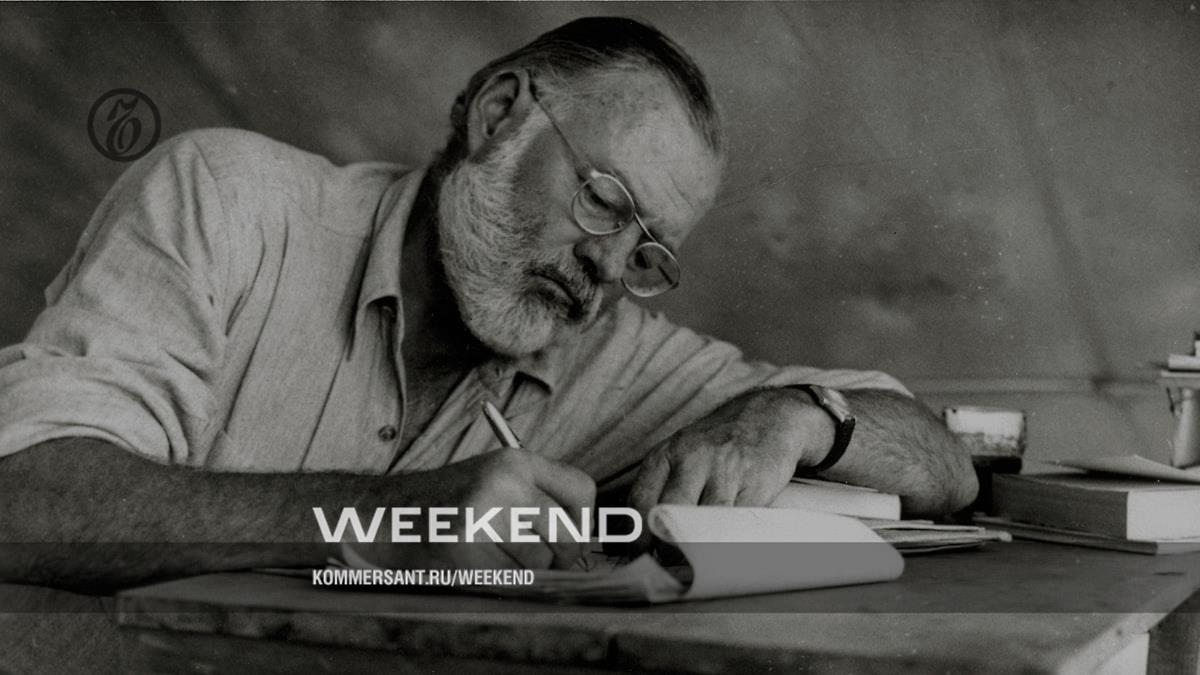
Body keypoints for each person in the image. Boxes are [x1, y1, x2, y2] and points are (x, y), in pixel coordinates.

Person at [0, 17, 975, 588]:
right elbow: (27, 497)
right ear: (499, 114)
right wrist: (393, 522)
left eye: (647, 253)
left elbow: (945, 465)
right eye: (604, 201)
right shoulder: (227, 198)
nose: (607, 265)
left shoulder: (608, 349)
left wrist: (796, 415)